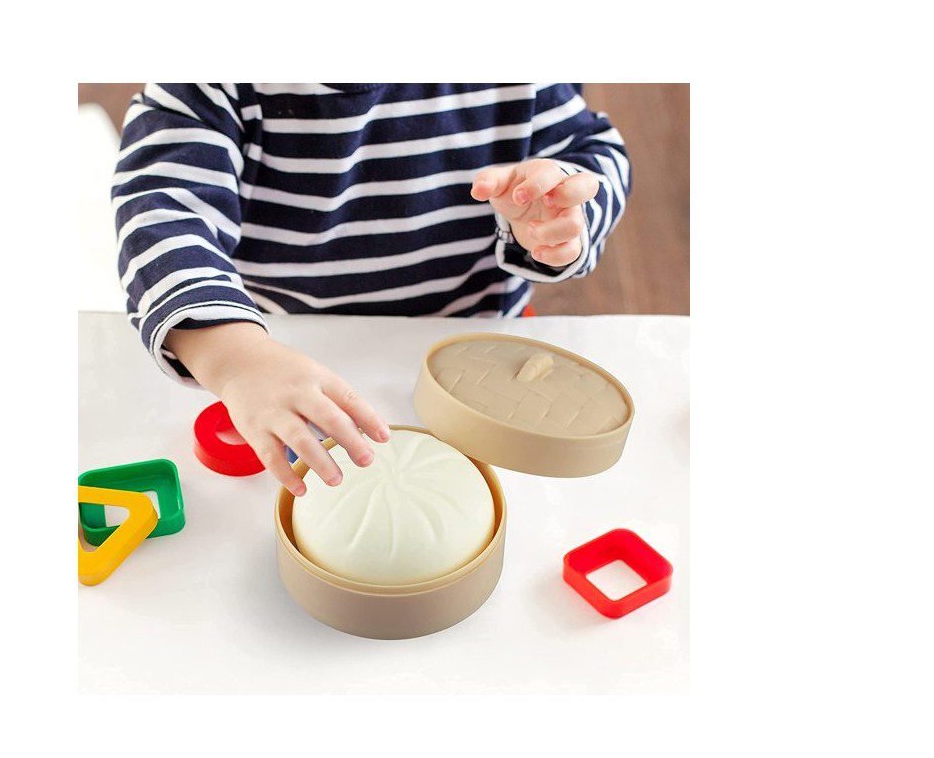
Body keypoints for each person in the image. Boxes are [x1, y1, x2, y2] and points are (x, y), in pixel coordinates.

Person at [114, 83, 630, 494]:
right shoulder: (212, 84)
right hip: (283, 361)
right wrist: (235, 359)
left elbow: (594, 154)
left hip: (479, 355)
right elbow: (161, 213)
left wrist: (558, 211)